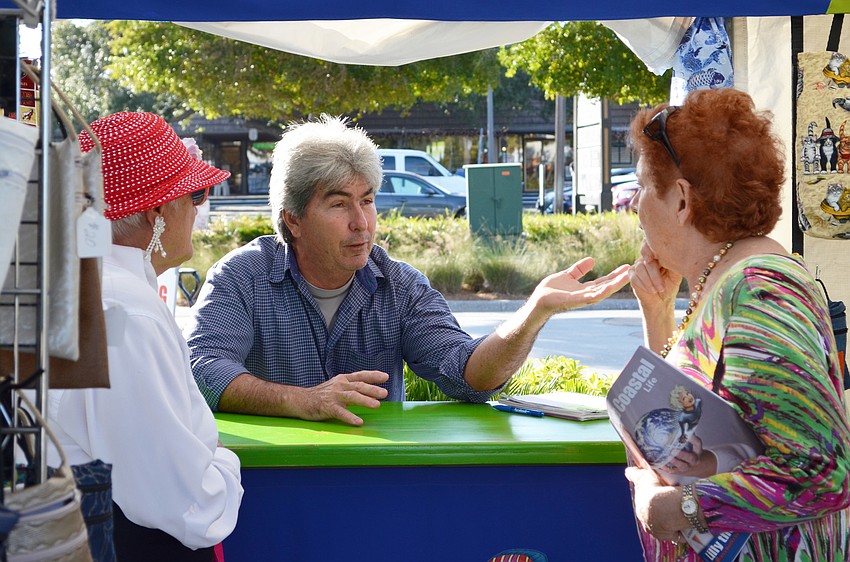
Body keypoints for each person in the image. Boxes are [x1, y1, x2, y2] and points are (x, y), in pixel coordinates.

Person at [186, 114, 631, 426]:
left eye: (367, 200)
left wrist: (533, 312)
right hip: (270, 490)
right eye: (339, 204)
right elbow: (202, 371)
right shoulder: (241, 277)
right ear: (293, 219)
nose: (361, 222)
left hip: (377, 483)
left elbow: (468, 377)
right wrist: (303, 401)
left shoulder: (397, 284)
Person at [625, 88, 850, 561]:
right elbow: (697, 407)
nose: (634, 205)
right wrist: (657, 310)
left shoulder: (761, 292)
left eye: (643, 186)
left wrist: (680, 507)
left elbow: (820, 473)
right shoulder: (723, 281)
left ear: (682, 200)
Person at [46, 112, 244, 561]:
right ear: (157, 211)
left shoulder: (79, 286)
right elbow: (191, 505)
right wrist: (224, 465)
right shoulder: (126, 311)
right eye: (194, 193)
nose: (198, 207)